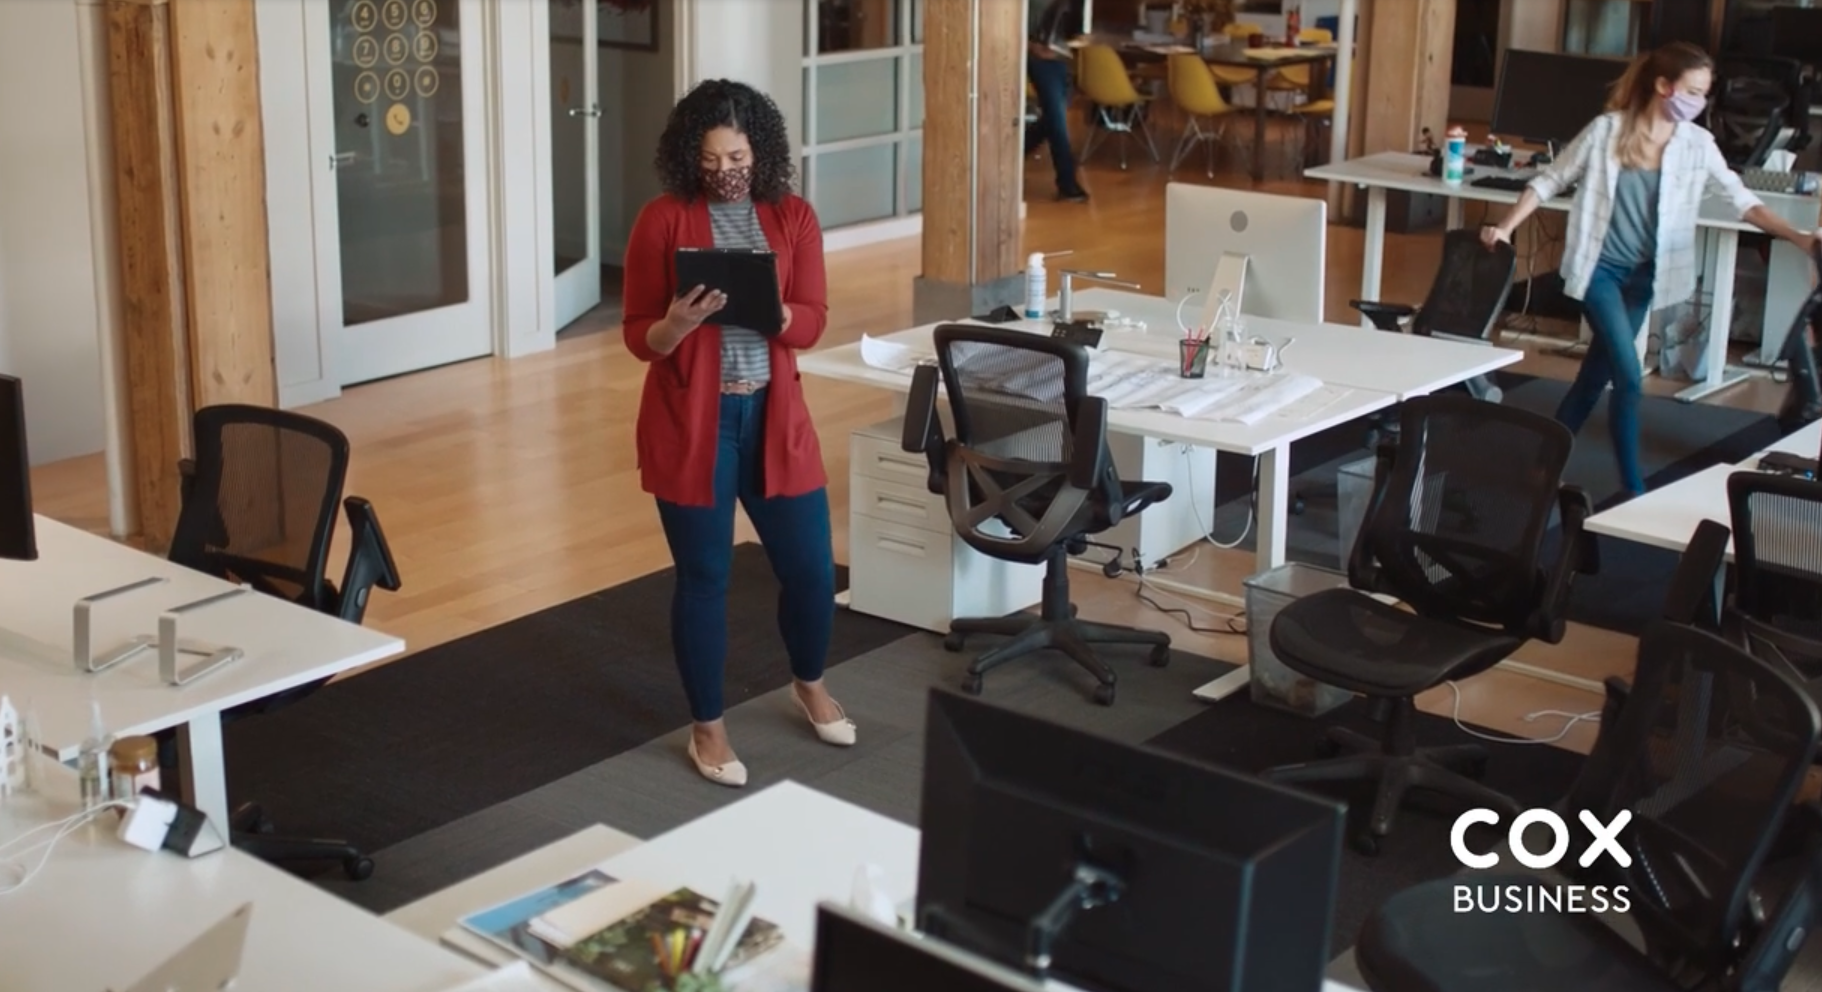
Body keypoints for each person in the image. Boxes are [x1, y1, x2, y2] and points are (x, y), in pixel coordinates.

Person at [622, 80, 856, 789]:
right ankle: (708, 728)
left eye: (738, 157)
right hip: (693, 424)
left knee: (812, 571)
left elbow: (814, 318)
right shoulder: (663, 219)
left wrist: (777, 314)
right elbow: (638, 336)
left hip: (775, 417)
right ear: (689, 158)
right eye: (711, 159)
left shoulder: (792, 216)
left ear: (761, 152)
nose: (725, 170)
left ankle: (809, 683)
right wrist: (677, 324)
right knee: (705, 579)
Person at [1483, 42, 1816, 498]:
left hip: (1643, 278)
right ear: (1663, 86)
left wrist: (1799, 238)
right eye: (1693, 91)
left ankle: (1541, 467)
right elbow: (1549, 181)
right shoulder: (1606, 132)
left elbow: (1743, 201)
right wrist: (1505, 227)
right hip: (1600, 271)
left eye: (1704, 93)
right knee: (1629, 376)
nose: (1699, 102)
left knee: (1593, 378)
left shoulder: (1696, 144)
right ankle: (1633, 489)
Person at [1026, 0, 1090, 203]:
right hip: (1040, 59)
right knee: (1056, 119)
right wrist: (1032, 47)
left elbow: (1075, 25)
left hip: (1064, 58)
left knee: (1053, 119)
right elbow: (1014, 26)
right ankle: (1067, 182)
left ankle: (1015, 152)